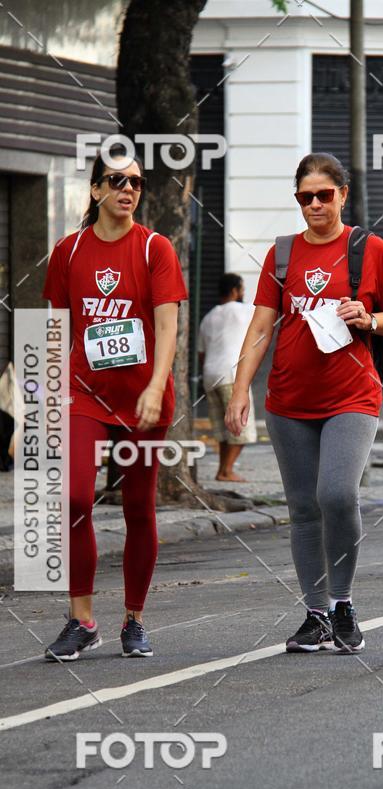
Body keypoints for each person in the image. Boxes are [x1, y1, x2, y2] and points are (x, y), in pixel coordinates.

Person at [225, 152, 383, 653]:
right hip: (287, 401)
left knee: (337, 496)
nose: (315, 205)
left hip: (352, 395)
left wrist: (367, 318)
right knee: (304, 509)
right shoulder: (282, 254)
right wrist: (241, 389)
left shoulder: (368, 248)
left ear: (342, 195)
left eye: (324, 195)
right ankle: (316, 614)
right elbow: (261, 326)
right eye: (305, 197)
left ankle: (344, 602)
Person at [42, 152, 187, 661]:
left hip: (145, 398)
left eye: (137, 183)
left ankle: (134, 619)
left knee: (137, 507)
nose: (128, 189)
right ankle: (81, 620)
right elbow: (55, 329)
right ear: (96, 189)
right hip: (85, 395)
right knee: (76, 499)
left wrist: (156, 384)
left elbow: (168, 325)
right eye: (117, 181)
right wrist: (50, 391)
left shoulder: (154, 248)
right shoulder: (69, 250)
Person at [198, 273, 256, 481]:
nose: (243, 293)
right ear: (234, 291)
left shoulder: (208, 317)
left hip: (210, 375)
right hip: (232, 374)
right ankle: (227, 470)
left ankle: (222, 470)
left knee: (222, 429)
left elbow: (201, 352)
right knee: (241, 427)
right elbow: (265, 322)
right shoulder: (245, 311)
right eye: (241, 289)